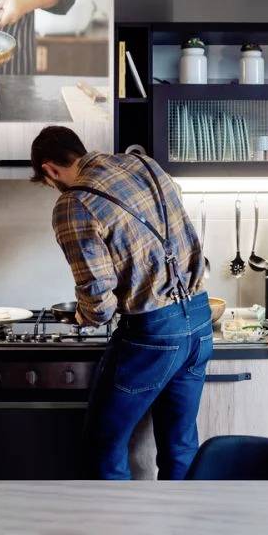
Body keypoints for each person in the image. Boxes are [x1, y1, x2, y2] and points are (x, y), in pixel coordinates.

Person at [30, 125, 212, 480]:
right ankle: (185, 515)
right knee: (180, 447)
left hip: (154, 334)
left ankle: (112, 516)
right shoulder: (143, 164)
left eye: (48, 182)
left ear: (50, 170)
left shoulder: (73, 203)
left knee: (104, 445)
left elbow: (98, 301)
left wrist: (82, 317)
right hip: (199, 319)